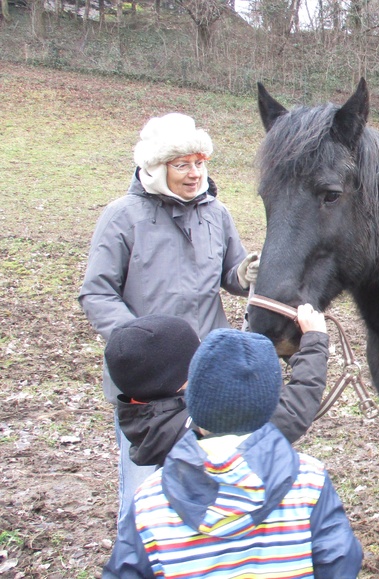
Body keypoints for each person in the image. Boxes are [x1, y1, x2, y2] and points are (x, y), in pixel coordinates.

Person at [78, 112, 318, 534]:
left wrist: (244, 273)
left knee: (217, 481)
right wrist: (139, 346)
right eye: (182, 165)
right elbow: (96, 292)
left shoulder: (216, 213)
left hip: (209, 373)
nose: (194, 174)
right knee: (146, 489)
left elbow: (230, 273)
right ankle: (142, 556)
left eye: (200, 162)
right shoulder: (122, 217)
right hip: (148, 384)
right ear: (156, 167)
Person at [103, 329, 363, 579]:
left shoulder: (149, 499)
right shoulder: (309, 480)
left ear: (192, 398)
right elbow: (340, 564)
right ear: (271, 402)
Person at [105, 307, 331, 468]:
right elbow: (290, 412)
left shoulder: (152, 422)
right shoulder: (196, 426)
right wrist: (314, 342)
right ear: (181, 379)